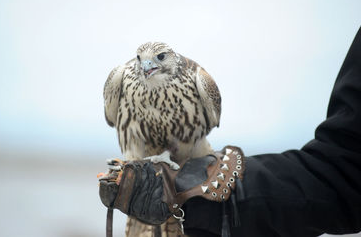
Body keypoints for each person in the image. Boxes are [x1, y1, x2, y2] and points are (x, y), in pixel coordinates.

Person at [100, 27, 361, 237]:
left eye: (158, 58)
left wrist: (204, 190)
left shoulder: (199, 81)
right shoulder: (120, 79)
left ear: (171, 59)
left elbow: (341, 177)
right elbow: (343, 171)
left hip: (188, 156)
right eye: (141, 60)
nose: (147, 66)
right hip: (141, 158)